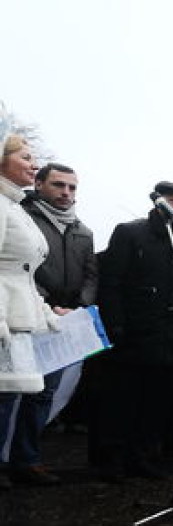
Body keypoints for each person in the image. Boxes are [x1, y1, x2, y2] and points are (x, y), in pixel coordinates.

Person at [96, 180, 173, 480]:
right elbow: (111, 283)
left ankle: (144, 455)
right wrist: (116, 325)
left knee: (157, 404)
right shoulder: (131, 233)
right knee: (123, 400)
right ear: (158, 202)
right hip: (134, 334)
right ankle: (112, 458)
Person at [6, 162, 96, 485]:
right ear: (40, 184)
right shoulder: (21, 215)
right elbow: (18, 267)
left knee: (44, 393)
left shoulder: (83, 232)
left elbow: (90, 276)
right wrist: (45, 303)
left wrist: (77, 308)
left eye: (72, 187)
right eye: (59, 185)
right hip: (26, 314)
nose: (66, 193)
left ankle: (26, 460)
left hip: (62, 323)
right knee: (9, 392)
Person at [0, 131, 63, 488]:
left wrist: (44, 312)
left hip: (19, 315)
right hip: (4, 320)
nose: (33, 164)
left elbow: (23, 273)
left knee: (10, 396)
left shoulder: (13, 206)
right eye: (25, 157)